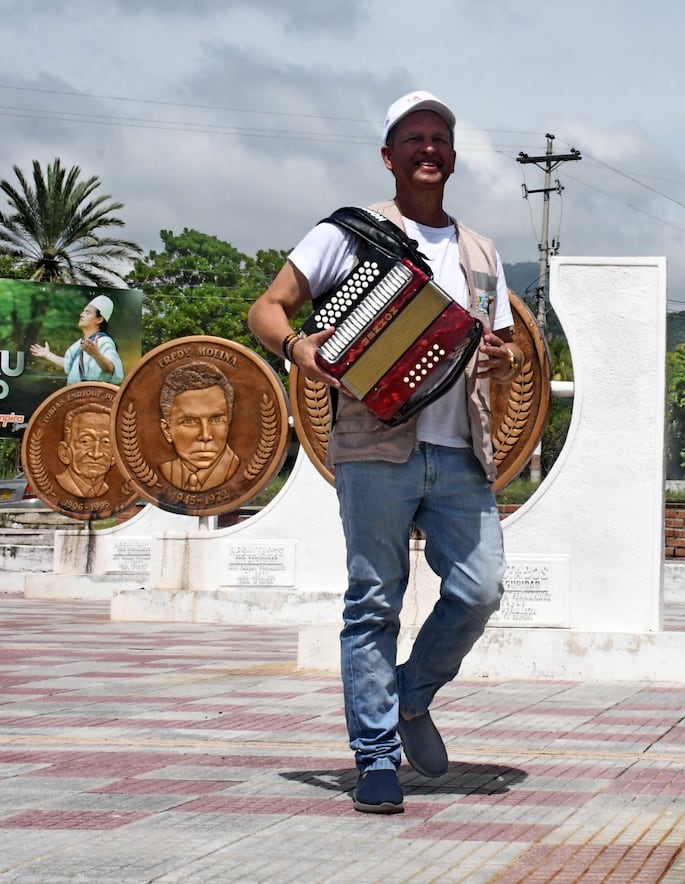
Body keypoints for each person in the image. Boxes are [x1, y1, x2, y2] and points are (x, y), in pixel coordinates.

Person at [248, 90, 522, 815]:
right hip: (374, 444)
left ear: (453, 158)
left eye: (440, 139)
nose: (429, 149)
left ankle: (408, 695)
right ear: (389, 155)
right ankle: (374, 757)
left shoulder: (482, 250)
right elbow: (266, 308)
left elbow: (504, 346)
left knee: (481, 589)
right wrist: (300, 347)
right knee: (374, 601)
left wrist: (505, 357)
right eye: (414, 138)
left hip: (462, 449)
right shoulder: (348, 233)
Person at [157, 361, 242, 491]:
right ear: (167, 430)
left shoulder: (239, 470)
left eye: (216, 420)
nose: (205, 435)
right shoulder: (164, 471)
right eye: (190, 422)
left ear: (228, 422)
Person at [29, 294, 125, 384]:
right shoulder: (79, 343)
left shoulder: (104, 341)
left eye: (87, 312)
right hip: (74, 393)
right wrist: (48, 355)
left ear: (99, 319)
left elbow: (110, 368)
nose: (82, 314)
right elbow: (69, 365)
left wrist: (96, 354)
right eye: (83, 311)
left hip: (92, 393)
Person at [54, 403, 113, 498]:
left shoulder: (107, 489)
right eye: (85, 441)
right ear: (64, 452)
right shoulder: (60, 483)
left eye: (106, 442)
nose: (95, 454)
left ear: (114, 456)